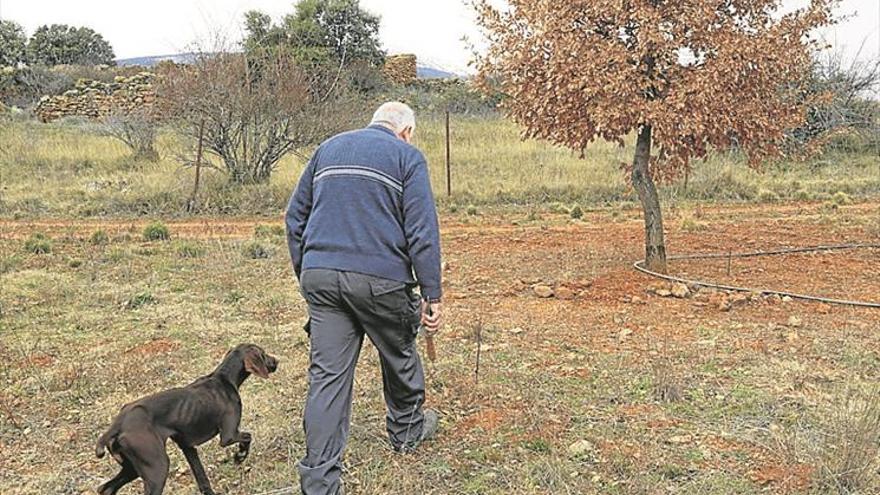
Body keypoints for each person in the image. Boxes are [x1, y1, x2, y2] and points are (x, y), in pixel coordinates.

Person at [285, 102, 443, 495]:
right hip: (381, 281)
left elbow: (294, 218)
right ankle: (406, 430)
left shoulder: (328, 148)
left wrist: (308, 273)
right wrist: (431, 293)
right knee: (399, 352)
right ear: (405, 131)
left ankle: (320, 484)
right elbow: (422, 231)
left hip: (321, 277)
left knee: (327, 380)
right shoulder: (407, 157)